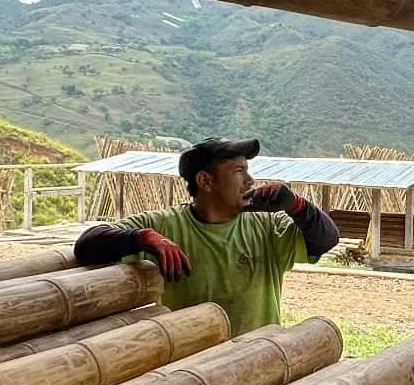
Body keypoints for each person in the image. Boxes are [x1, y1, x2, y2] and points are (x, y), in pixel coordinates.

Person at [73, 137, 339, 334]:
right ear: (206, 181)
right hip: (190, 368)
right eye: (239, 171)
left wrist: (297, 205)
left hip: (261, 360)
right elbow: (87, 244)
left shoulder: (267, 226)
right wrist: (145, 238)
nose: (250, 180)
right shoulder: (164, 225)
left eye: (247, 170)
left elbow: (326, 239)